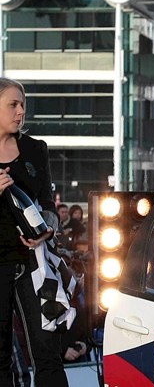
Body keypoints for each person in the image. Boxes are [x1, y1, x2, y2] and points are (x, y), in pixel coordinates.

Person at [0, 77, 68, 387]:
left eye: (23, 105)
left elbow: (48, 206)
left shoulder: (36, 149)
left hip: (33, 265)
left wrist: (47, 230)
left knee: (47, 351)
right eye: (12, 105)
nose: (20, 112)